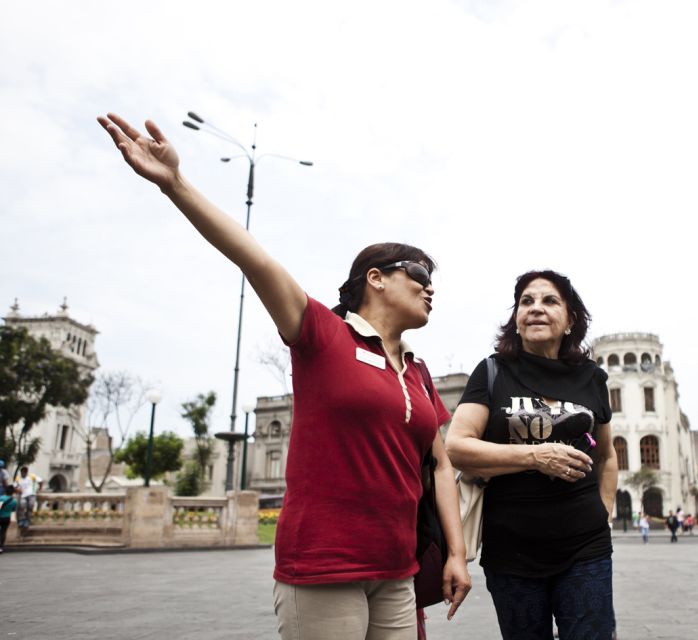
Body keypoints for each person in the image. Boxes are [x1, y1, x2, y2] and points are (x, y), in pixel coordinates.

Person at [98, 113, 470, 640]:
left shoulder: (418, 371)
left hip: (398, 570)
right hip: (324, 566)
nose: (431, 288)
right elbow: (255, 260)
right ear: (376, 279)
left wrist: (456, 553)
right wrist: (175, 183)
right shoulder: (322, 335)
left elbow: (441, 465)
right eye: (421, 274)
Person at [445, 269, 618, 640]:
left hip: (585, 545)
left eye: (549, 300)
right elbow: (456, 446)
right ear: (517, 319)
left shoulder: (593, 378)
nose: (536, 308)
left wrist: (603, 513)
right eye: (526, 301)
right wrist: (536, 456)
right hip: (512, 550)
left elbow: (606, 456)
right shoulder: (492, 371)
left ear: (570, 320)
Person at [0, 485, 16, 552]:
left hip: (0, 516)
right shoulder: (14, 501)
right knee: (3, 532)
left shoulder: (1, 498)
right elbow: (13, 511)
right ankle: (0, 547)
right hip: (7, 518)